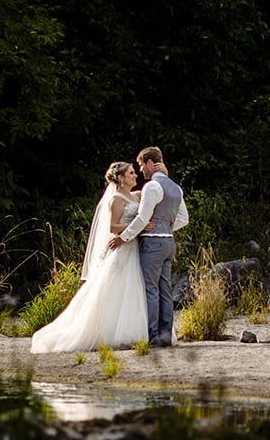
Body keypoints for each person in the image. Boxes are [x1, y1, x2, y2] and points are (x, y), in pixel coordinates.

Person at [29, 161, 151, 354]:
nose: (135, 175)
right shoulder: (116, 199)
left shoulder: (136, 196)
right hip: (122, 248)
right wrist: (140, 226)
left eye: (134, 172)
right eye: (131, 173)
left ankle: (133, 331)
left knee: (132, 288)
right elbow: (113, 227)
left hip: (133, 247)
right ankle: (108, 332)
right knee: (115, 287)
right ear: (120, 178)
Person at [109, 146, 187, 348]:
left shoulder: (152, 187)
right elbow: (183, 219)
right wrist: (166, 228)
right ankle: (165, 337)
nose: (141, 170)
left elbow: (143, 218)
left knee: (151, 290)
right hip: (169, 243)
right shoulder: (176, 188)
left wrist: (124, 237)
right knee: (165, 291)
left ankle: (153, 337)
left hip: (153, 244)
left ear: (151, 163)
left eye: (142, 165)